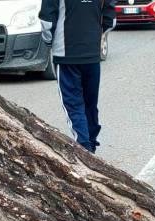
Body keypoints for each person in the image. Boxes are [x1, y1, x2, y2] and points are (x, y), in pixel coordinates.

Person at [40, 0, 116, 153]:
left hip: (66, 55)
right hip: (92, 54)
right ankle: (91, 144)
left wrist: (49, 42)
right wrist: (95, 37)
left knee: (73, 105)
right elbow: (110, 19)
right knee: (90, 103)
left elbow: (47, 20)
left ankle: (84, 147)